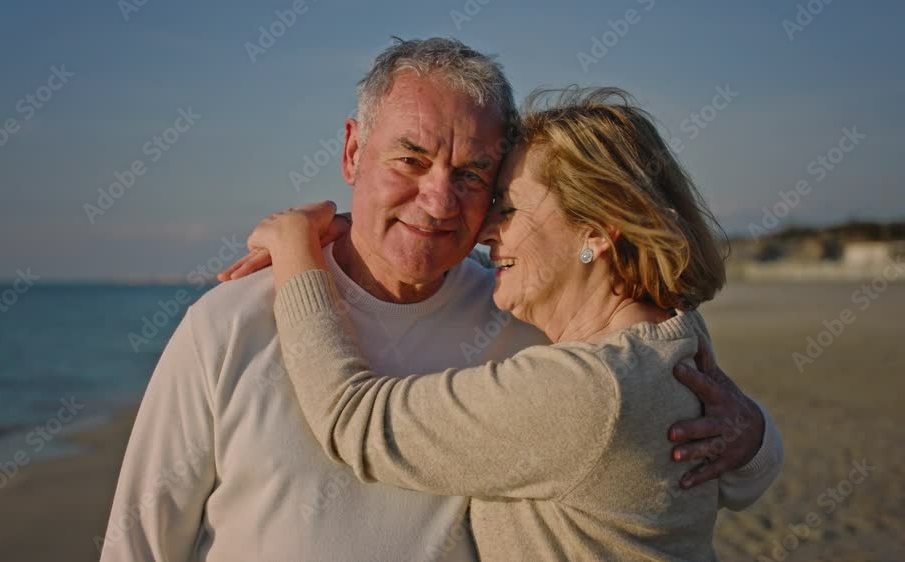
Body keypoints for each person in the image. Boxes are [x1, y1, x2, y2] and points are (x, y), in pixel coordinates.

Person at [99, 39, 782, 562]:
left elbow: (698, 453)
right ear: (352, 151)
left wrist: (751, 432)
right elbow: (137, 543)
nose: (442, 202)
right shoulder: (231, 323)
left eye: (476, 177)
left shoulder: (532, 326)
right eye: (411, 159)